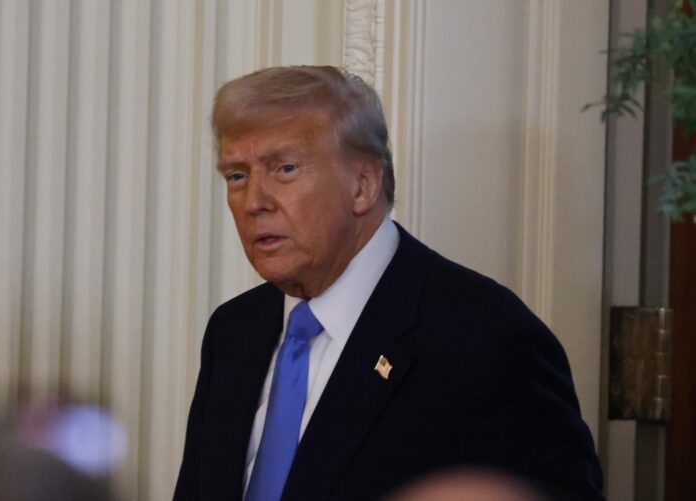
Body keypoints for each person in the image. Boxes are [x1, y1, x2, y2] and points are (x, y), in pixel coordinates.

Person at [174, 65, 603, 501]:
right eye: (237, 176)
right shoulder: (234, 330)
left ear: (363, 184)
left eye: (284, 168)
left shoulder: (486, 337)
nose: (253, 202)